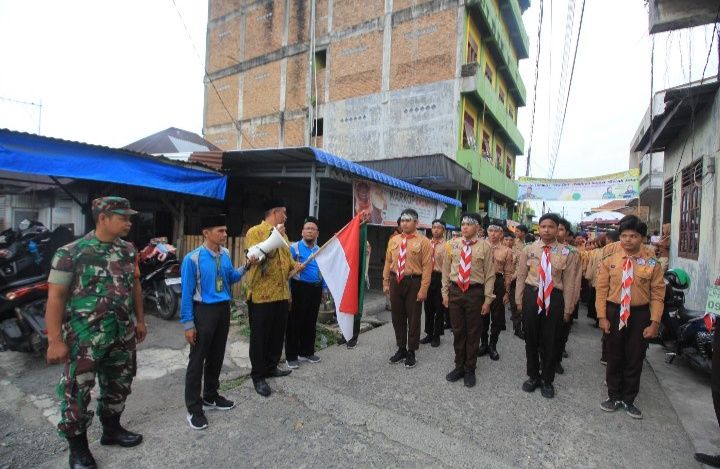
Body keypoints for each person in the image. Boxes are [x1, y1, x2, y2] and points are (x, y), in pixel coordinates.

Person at [46, 197, 146, 469]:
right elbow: (55, 297)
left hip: (121, 334)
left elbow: (135, 285)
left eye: (129, 217)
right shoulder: (71, 252)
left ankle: (111, 430)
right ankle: (78, 451)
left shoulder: (127, 250)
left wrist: (140, 320)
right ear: (103, 217)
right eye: (123, 217)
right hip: (84, 338)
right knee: (77, 393)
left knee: (119, 385)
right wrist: (54, 340)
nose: (129, 222)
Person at [181, 214, 250, 430]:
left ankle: (211, 396)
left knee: (217, 356)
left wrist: (247, 266)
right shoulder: (193, 259)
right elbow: (186, 293)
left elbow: (231, 278)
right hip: (203, 312)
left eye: (225, 230)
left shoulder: (226, 254)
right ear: (206, 233)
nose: (224, 234)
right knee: (197, 360)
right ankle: (194, 408)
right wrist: (188, 324)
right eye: (220, 230)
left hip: (223, 310)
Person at [596, 215, 665, 419]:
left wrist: (654, 323)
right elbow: (601, 291)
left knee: (635, 357)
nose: (627, 240)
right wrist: (602, 317)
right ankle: (613, 396)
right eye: (624, 235)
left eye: (633, 236)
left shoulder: (653, 264)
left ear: (642, 238)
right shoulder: (610, 261)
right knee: (614, 355)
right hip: (614, 311)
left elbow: (658, 295)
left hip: (639, 314)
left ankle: (629, 400)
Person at [515, 213, 579, 399]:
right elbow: (520, 276)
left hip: (555, 297)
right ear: (538, 228)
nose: (547, 230)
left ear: (558, 228)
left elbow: (569, 283)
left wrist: (568, 309)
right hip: (532, 294)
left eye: (551, 226)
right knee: (531, 338)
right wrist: (519, 300)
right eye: (543, 226)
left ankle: (547, 380)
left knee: (550, 340)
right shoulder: (529, 249)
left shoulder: (567, 252)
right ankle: (533, 376)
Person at [245, 200, 299, 397]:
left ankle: (271, 366)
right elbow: (254, 257)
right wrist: (273, 236)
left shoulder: (284, 235)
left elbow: (287, 259)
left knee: (277, 334)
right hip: (261, 295)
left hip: (281, 293)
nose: (285, 217)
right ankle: (258, 375)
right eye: (283, 213)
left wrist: (295, 265)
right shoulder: (255, 232)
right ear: (274, 212)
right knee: (260, 337)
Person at [441, 213, 495, 387]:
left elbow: (490, 275)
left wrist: (488, 300)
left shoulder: (485, 247)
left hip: (474, 293)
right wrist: (445, 293)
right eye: (463, 224)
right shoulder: (452, 245)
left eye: (469, 224)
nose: (464, 227)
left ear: (478, 227)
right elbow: (445, 270)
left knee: (473, 332)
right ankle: (459, 366)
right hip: (456, 291)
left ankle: (470, 368)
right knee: (458, 331)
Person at [383, 208, 432, 368]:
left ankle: (411, 351)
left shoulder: (424, 242)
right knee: (397, 317)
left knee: (414, 318)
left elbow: (427, 267)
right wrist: (385, 282)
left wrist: (423, 289)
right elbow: (388, 262)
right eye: (402, 220)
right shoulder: (394, 240)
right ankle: (401, 348)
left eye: (408, 220)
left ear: (416, 222)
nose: (404, 223)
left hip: (414, 282)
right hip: (395, 280)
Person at [285, 216, 326, 369]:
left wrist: (324, 289)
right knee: (294, 322)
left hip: (315, 289)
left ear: (317, 233)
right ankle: (291, 355)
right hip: (299, 288)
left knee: (310, 321)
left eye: (313, 229)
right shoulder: (294, 248)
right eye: (307, 229)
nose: (310, 231)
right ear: (302, 232)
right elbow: (287, 269)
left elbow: (322, 271)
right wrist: (288, 292)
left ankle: (307, 352)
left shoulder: (319, 250)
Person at [479, 225, 514, 361]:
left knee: (497, 317)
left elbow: (508, 272)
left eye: (497, 231)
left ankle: (493, 345)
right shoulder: (480, 246)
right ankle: (483, 343)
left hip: (498, 283)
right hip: (482, 281)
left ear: (501, 234)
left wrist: (507, 292)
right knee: (482, 315)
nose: (493, 234)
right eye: (491, 231)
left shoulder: (507, 251)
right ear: (487, 231)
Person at [554, 218, 580, 375]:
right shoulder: (540, 249)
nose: (556, 232)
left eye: (561, 229)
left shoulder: (572, 252)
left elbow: (575, 280)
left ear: (568, 234)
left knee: (561, 332)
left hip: (563, 299)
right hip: (543, 297)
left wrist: (571, 304)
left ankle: (556, 360)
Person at [420, 219, 447, 348]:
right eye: (434, 227)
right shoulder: (426, 243)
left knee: (439, 308)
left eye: (439, 227)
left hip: (440, 277)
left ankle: (437, 335)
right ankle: (429, 333)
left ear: (443, 230)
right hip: (427, 276)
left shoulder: (447, 246)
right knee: (428, 307)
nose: (435, 230)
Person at [509, 224, 529, 339]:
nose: (516, 233)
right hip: (513, 277)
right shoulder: (513, 243)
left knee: (523, 303)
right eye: (515, 231)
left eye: (518, 231)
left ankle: (523, 326)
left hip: (525, 278)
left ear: (524, 233)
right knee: (515, 304)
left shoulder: (529, 244)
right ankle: (517, 328)